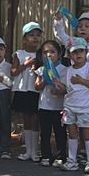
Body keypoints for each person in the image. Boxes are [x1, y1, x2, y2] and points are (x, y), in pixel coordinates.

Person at [61, 39, 89, 173]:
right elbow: (65, 88)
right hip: (69, 107)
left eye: (81, 51)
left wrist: (81, 81)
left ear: (86, 52)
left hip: (85, 107)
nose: (78, 54)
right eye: (74, 52)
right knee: (72, 134)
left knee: (87, 134)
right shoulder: (67, 71)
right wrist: (56, 83)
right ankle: (72, 160)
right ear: (69, 55)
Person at [11, 23, 44, 162]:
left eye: (38, 35)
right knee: (26, 119)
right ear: (24, 38)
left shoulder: (42, 54)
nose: (35, 38)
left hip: (36, 90)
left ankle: (35, 151)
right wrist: (25, 64)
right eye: (31, 35)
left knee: (36, 119)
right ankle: (28, 151)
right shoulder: (19, 54)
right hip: (23, 89)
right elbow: (13, 72)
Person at [34, 39, 68, 167]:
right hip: (44, 106)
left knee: (60, 132)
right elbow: (37, 86)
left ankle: (61, 156)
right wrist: (44, 81)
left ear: (59, 54)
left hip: (59, 107)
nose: (49, 55)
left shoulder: (64, 69)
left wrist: (58, 90)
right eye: (45, 52)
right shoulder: (42, 69)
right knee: (45, 132)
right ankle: (46, 155)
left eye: (52, 52)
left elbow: (66, 88)